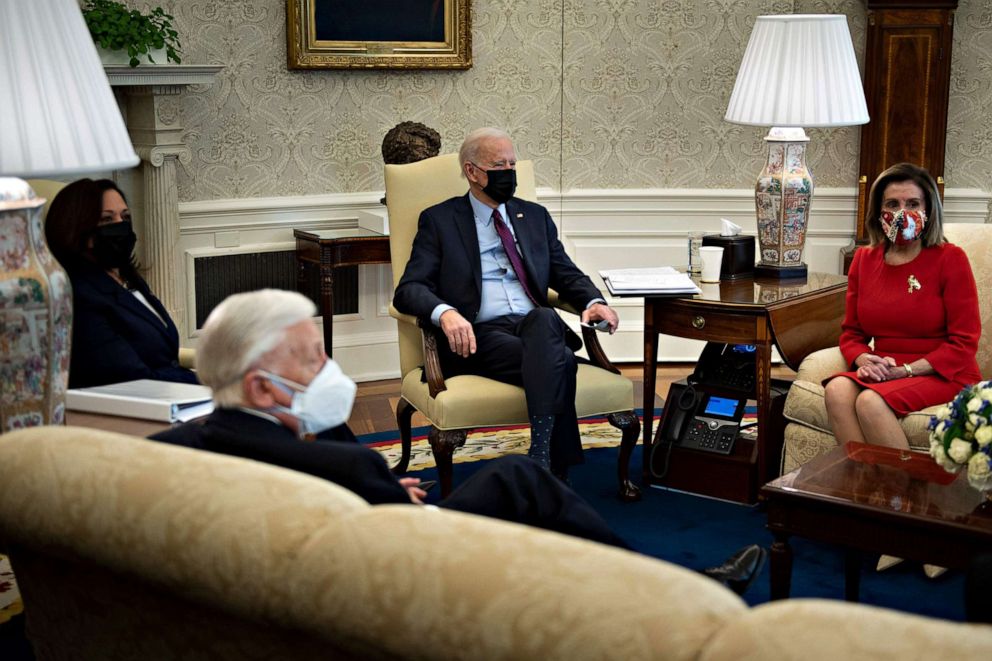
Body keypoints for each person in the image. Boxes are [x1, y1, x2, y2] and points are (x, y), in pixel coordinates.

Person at [150, 289, 766, 595]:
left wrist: (383, 484)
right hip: (400, 570)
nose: (330, 372)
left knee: (544, 329)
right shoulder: (333, 462)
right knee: (520, 482)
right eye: (313, 360)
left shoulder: (181, 444)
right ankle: (679, 592)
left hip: (364, 529)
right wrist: (387, 494)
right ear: (261, 387)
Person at [392, 127, 620, 480]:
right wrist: (446, 313)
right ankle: (551, 468)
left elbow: (565, 272)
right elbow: (409, 288)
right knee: (560, 361)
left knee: (545, 321)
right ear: (472, 172)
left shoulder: (535, 217)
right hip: (478, 334)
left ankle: (540, 453)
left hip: (532, 328)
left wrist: (594, 301)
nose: (510, 173)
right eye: (500, 165)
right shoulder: (439, 221)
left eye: (513, 163)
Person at [824, 163, 981, 450]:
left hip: (944, 371)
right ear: (878, 211)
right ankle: (862, 491)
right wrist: (862, 359)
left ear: (929, 209)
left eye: (913, 203)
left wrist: (907, 370)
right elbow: (851, 333)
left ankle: (903, 494)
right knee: (836, 390)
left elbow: (965, 342)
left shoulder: (951, 258)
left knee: (870, 401)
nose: (902, 212)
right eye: (892, 204)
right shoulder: (864, 259)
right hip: (886, 367)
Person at [45, 178, 196, 388]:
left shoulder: (128, 279)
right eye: (107, 220)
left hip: (174, 395)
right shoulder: (81, 295)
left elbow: (165, 353)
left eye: (125, 217)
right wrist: (212, 383)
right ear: (79, 229)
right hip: (136, 405)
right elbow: (129, 375)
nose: (121, 226)